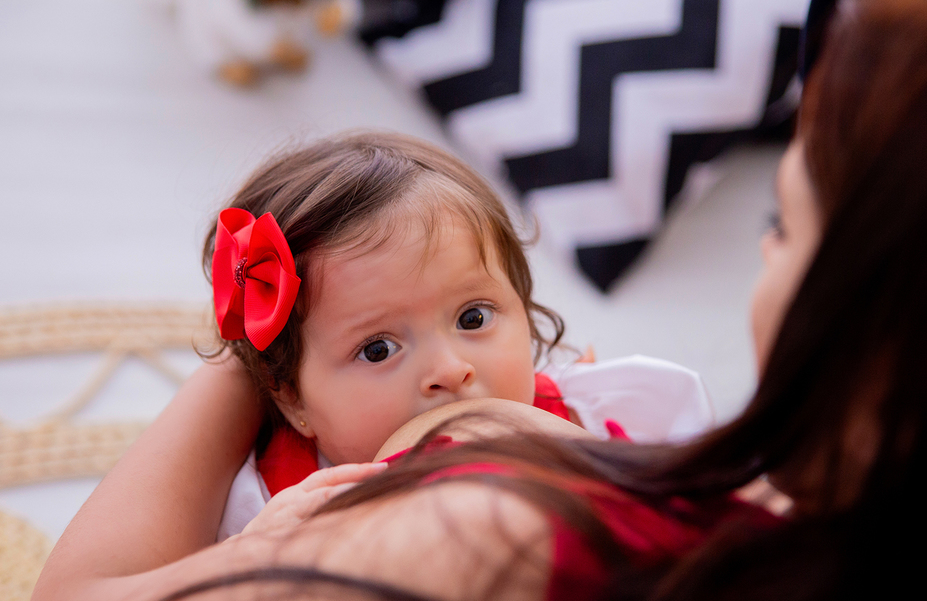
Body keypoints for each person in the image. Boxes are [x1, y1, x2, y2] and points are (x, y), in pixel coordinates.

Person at [12, 0, 927, 601]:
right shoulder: (758, 520)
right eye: (379, 346)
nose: (453, 367)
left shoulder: (501, 552)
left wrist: (266, 348)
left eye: (782, 221)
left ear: (904, 318)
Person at [194, 132, 713, 538]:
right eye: (378, 349)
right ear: (291, 399)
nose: (449, 369)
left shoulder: (596, 418)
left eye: (473, 318)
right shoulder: (278, 504)